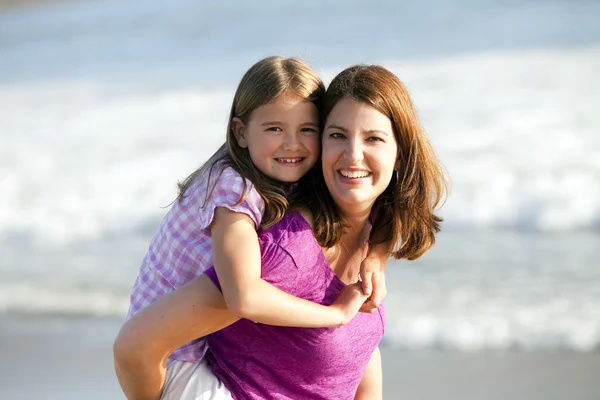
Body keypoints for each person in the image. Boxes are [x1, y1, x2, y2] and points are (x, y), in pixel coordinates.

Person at [114, 64, 447, 399]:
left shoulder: (366, 222)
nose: (353, 154)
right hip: (179, 361)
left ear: (401, 153)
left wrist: (376, 256)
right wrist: (334, 315)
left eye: (373, 138)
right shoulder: (259, 221)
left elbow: (362, 353)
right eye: (337, 135)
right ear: (241, 132)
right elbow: (238, 298)